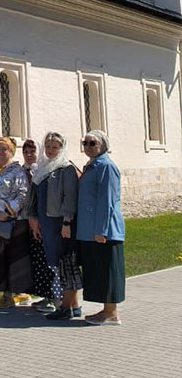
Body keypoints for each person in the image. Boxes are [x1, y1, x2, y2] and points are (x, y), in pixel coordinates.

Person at [25, 132, 83, 320]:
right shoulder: (42, 168)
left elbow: (70, 198)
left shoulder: (65, 168)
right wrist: (33, 219)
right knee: (55, 263)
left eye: (54, 147)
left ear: (61, 148)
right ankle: (71, 306)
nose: (50, 150)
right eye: (48, 146)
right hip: (45, 222)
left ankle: (64, 304)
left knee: (64, 263)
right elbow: (34, 197)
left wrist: (67, 222)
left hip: (60, 223)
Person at [77, 130, 124, 326]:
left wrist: (102, 229)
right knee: (99, 270)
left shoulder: (106, 166)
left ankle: (111, 312)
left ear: (103, 145)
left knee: (108, 270)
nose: (88, 146)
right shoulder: (93, 166)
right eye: (85, 143)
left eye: (92, 143)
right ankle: (106, 310)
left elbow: (108, 200)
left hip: (104, 230)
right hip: (90, 229)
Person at [0, 137, 32, 308]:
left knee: (13, 259)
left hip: (13, 222)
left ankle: (16, 293)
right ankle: (5, 293)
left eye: (5, 149)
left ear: (12, 151)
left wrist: (8, 212)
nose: (1, 152)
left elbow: (23, 194)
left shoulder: (17, 171)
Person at [21, 138, 60, 309]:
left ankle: (56, 298)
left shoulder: (47, 170)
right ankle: (46, 296)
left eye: (32, 151)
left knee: (50, 259)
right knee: (39, 260)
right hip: (33, 220)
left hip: (49, 221)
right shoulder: (25, 170)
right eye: (26, 152)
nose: (29, 155)